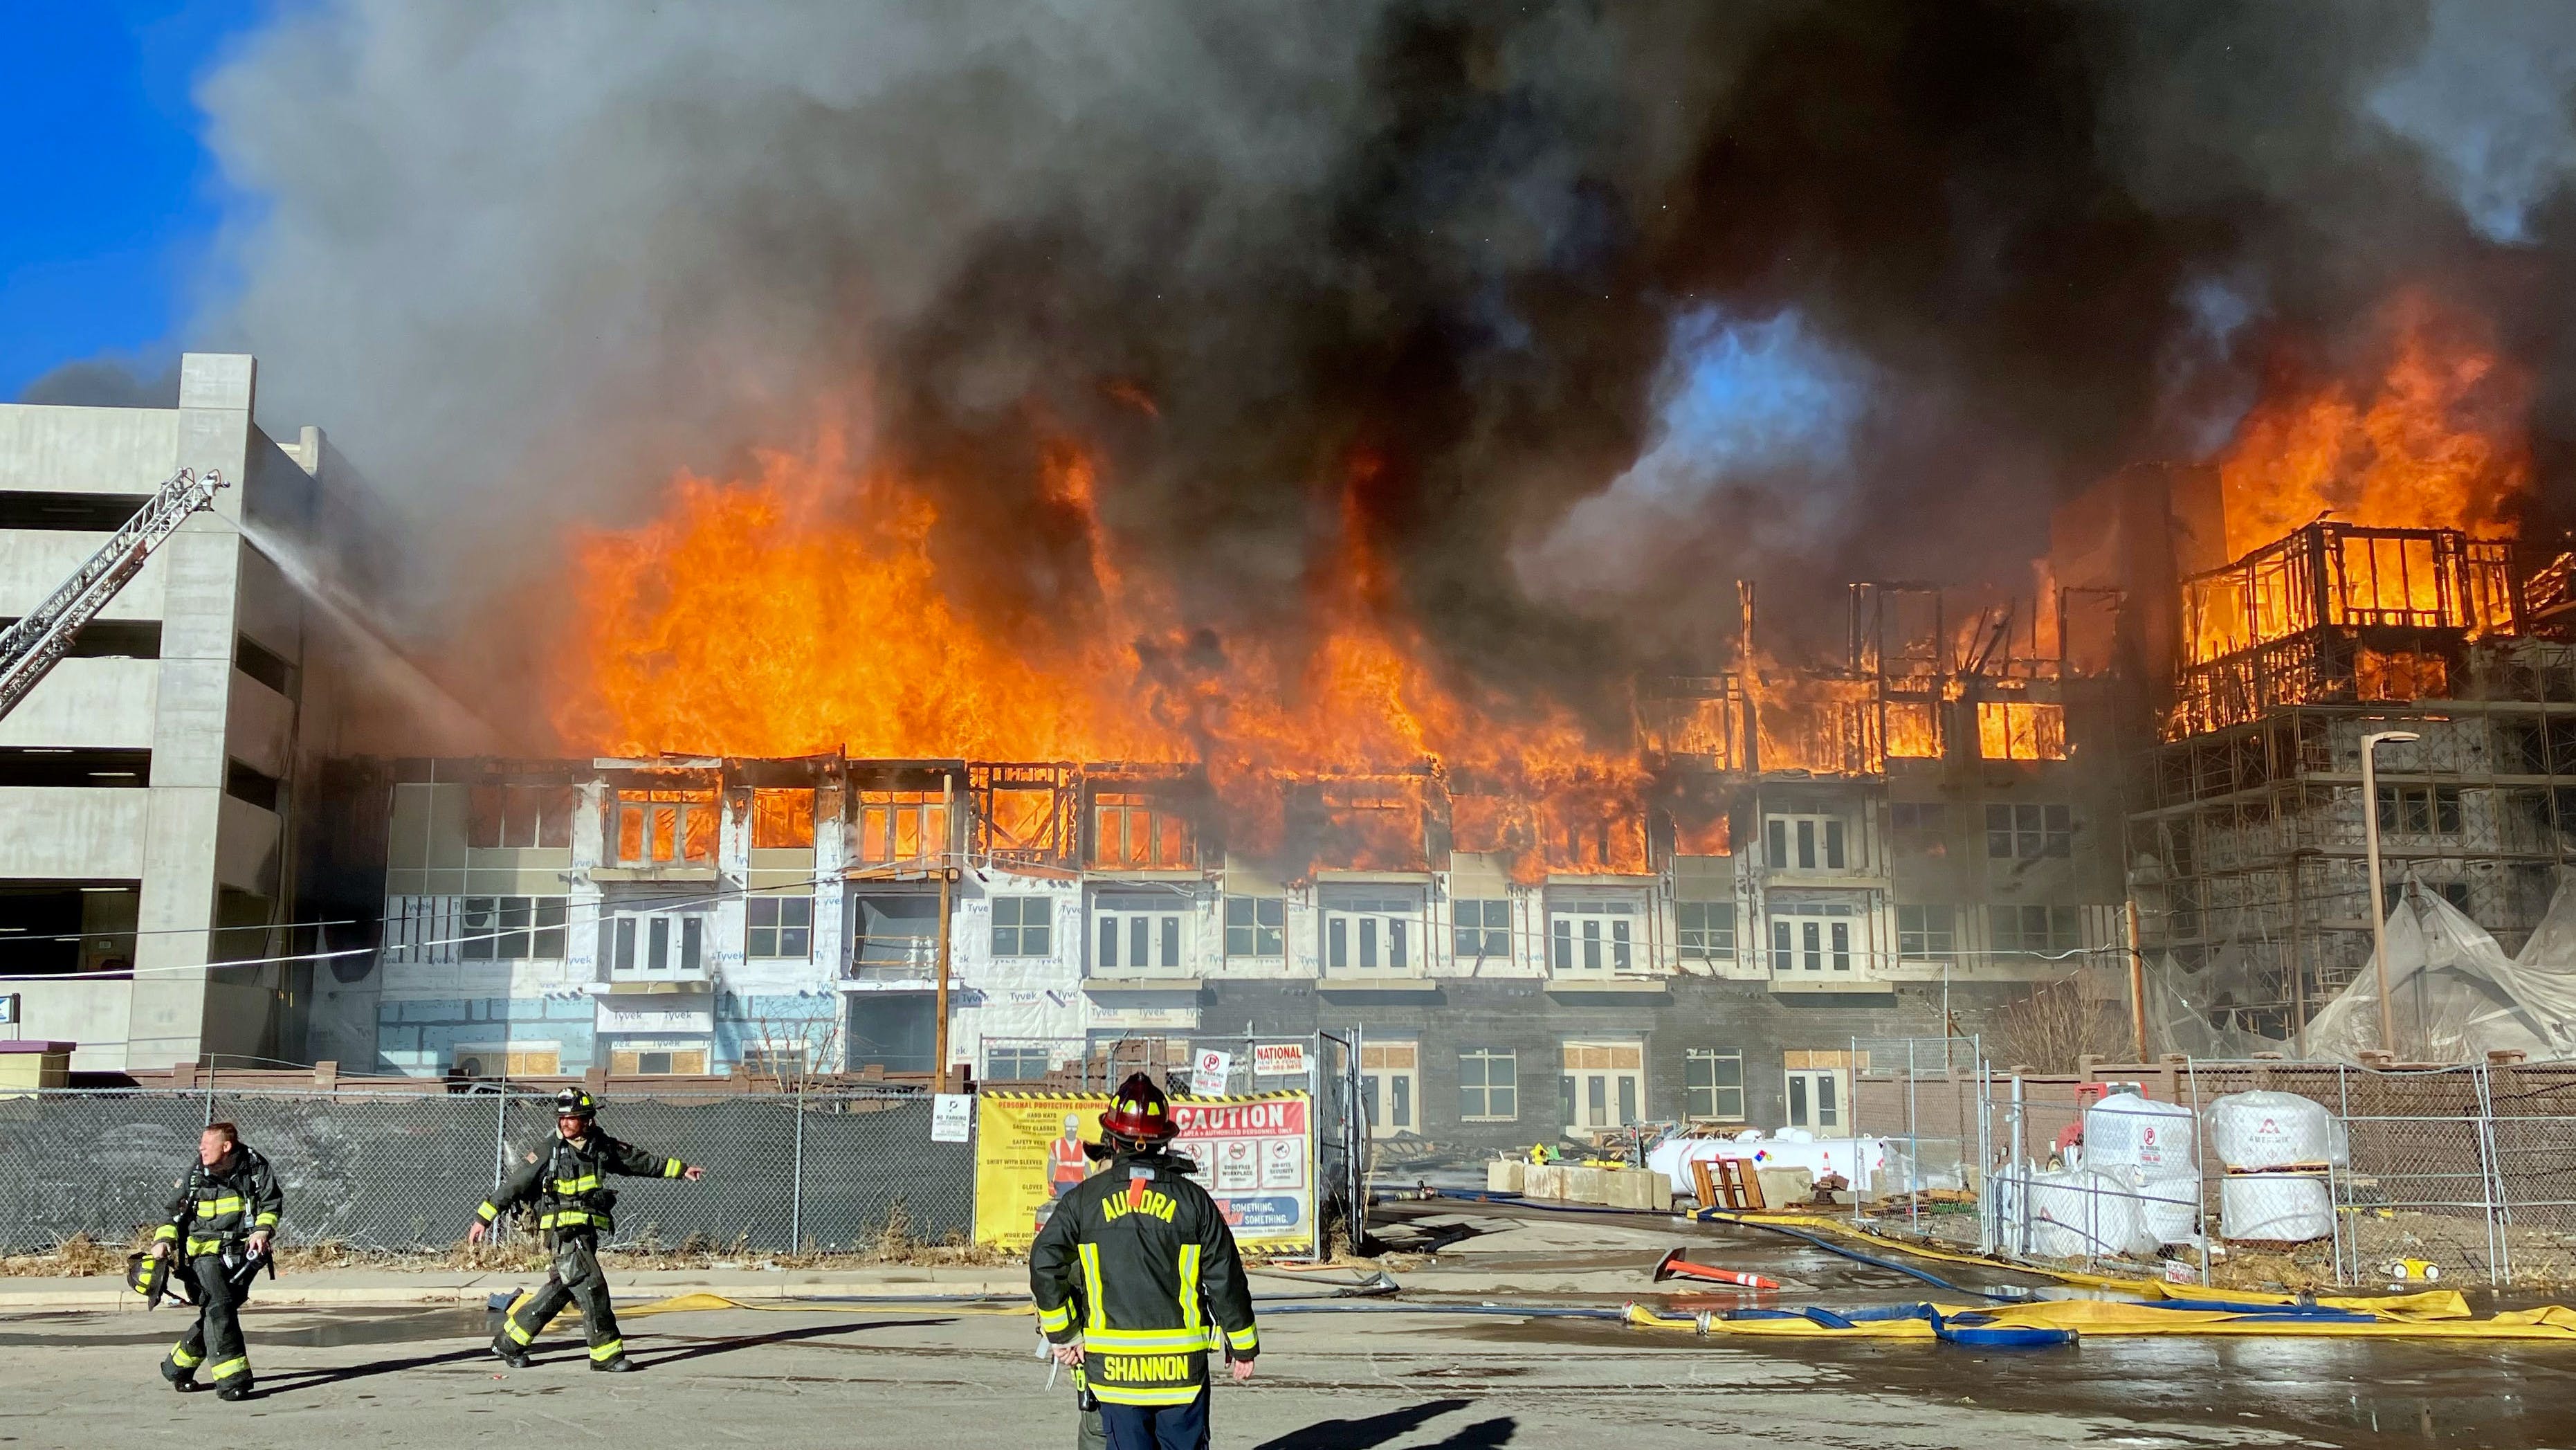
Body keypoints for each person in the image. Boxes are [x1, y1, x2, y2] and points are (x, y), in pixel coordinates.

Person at [1031, 1074, 1258, 1450]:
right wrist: (1242, 1342)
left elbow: (1044, 1261)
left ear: (1112, 1139)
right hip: (1181, 1373)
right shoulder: (1194, 1201)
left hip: (1115, 1374)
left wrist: (1065, 1334)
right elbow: (1225, 1275)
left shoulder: (1084, 1201)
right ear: (1164, 1141)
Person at [468, 1087, 704, 1373]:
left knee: (561, 1289)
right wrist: (483, 1219)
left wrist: (680, 1170)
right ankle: (606, 1355)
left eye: (572, 1118)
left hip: (586, 1231)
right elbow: (514, 1186)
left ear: (588, 1120)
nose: (564, 1123)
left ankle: (509, 1342)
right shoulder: (548, 1151)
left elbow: (636, 1161)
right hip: (564, 1234)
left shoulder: (599, 1145)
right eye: (561, 1118)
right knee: (593, 1288)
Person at [149, 1121, 282, 1401]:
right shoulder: (196, 1173)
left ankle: (177, 1367)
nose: (201, 1149)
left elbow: (271, 1203)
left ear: (227, 1146)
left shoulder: (254, 1166)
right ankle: (232, 1381)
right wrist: (163, 1242)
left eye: (207, 1145)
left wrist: (262, 1231)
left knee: (218, 1310)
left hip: (242, 1255)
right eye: (201, 1145)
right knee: (220, 1307)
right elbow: (173, 1212)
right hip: (203, 1253)